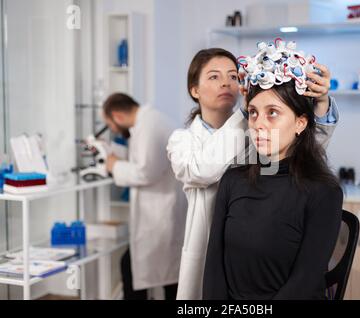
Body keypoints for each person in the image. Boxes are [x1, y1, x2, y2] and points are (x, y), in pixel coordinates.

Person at [167, 42, 339, 300]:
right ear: (194, 90)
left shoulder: (259, 138)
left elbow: (304, 144)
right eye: (214, 76)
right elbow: (201, 168)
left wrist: (320, 100)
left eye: (233, 76)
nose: (227, 83)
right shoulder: (183, 141)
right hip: (218, 262)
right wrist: (249, 112)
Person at [103, 93, 187, 300]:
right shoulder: (147, 123)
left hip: (162, 215)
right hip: (161, 212)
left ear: (117, 116)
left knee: (162, 276)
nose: (113, 130)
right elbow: (147, 161)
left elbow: (146, 172)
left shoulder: (149, 125)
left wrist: (114, 165)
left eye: (110, 125)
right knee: (167, 276)